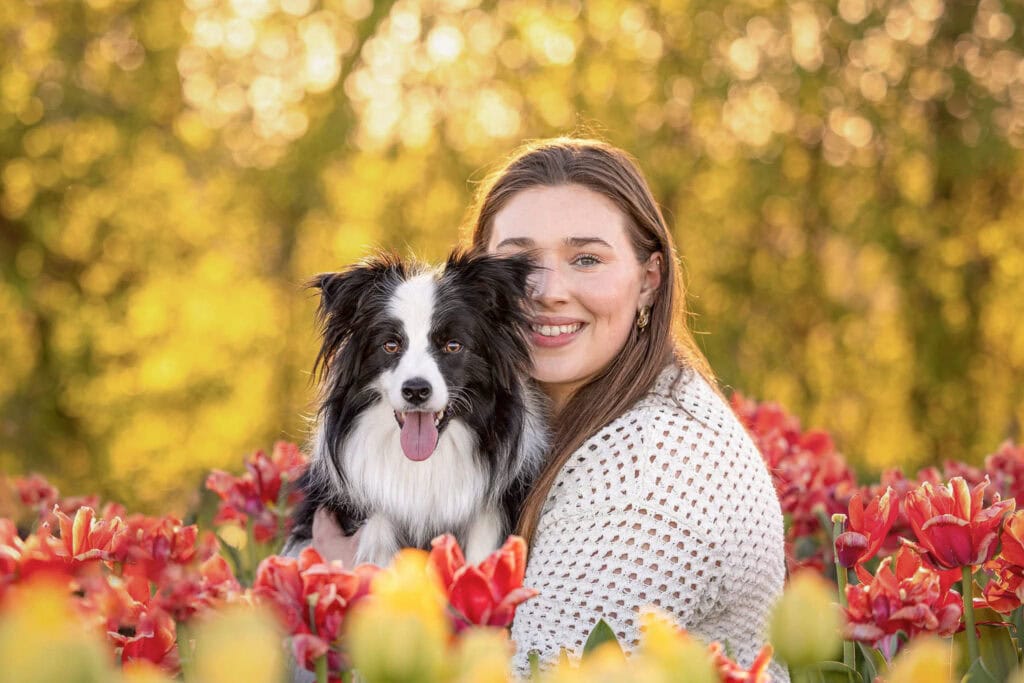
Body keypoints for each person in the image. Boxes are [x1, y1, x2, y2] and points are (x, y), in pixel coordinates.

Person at [312, 138, 788, 680]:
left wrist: (342, 593)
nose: (547, 292)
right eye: (519, 263)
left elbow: (540, 672)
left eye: (586, 258)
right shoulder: (562, 419)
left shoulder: (648, 478)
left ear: (649, 280)